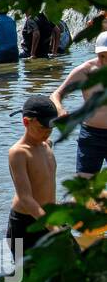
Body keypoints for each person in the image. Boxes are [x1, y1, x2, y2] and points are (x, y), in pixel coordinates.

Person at [6, 96, 58, 271]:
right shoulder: (18, 153)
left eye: (51, 127)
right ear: (26, 122)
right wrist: (54, 229)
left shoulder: (47, 145)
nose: (47, 132)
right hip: (25, 224)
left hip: (48, 217)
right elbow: (26, 198)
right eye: (43, 127)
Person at [50, 32, 107, 176]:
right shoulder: (86, 71)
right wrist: (60, 109)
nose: (105, 60)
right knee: (84, 186)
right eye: (102, 55)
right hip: (91, 135)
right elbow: (56, 94)